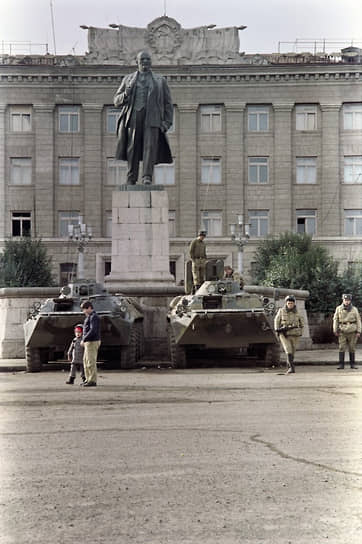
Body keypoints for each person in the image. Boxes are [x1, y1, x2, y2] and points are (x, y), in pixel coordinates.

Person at [113, 50, 173, 185]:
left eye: (148, 59)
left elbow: (168, 104)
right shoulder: (128, 79)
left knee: (149, 147)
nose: (145, 62)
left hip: (152, 118)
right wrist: (126, 94)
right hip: (133, 116)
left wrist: (166, 123)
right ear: (137, 62)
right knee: (132, 147)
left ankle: (147, 176)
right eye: (142, 59)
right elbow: (116, 101)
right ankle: (131, 177)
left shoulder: (160, 80)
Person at [274, 295, 304, 374]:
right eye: (288, 303)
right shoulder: (281, 311)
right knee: (288, 349)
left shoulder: (298, 312)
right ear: (286, 303)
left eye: (291, 303)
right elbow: (276, 321)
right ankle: (291, 367)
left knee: (293, 350)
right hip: (284, 333)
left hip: (295, 333)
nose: (290, 305)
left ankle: (289, 364)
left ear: (294, 304)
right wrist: (277, 330)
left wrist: (301, 331)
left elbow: (302, 323)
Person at [333, 293, 361, 369]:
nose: (347, 302)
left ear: (350, 301)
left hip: (352, 330)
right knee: (341, 347)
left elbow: (358, 320)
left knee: (352, 347)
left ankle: (352, 364)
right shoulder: (338, 308)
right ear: (343, 300)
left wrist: (359, 331)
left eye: (348, 300)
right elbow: (335, 320)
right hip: (342, 330)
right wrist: (335, 330)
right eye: (345, 300)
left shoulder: (354, 309)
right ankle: (341, 364)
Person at [80, 301, 101, 387]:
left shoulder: (94, 317)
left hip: (92, 341)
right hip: (88, 341)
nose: (83, 311)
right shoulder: (90, 317)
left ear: (89, 308)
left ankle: (92, 380)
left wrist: (84, 339)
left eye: (84, 309)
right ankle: (88, 379)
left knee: (90, 361)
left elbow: (93, 330)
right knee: (85, 361)